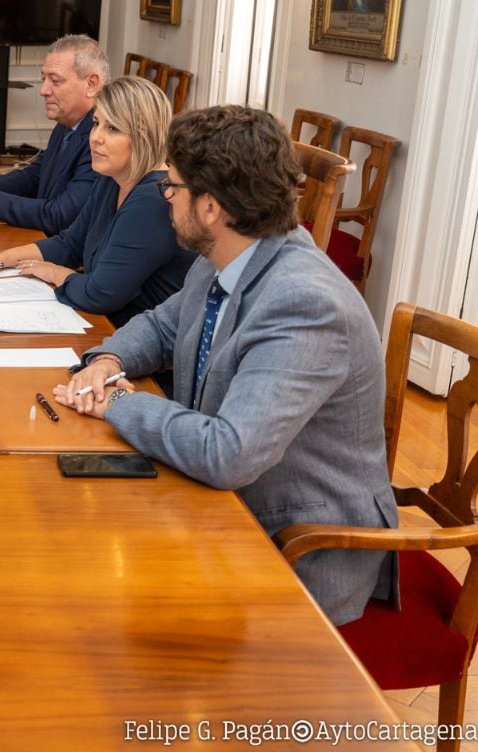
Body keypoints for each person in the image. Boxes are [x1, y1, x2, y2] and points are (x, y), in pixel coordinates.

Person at [55, 105, 399, 626]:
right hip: (222, 507)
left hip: (298, 548)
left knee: (98, 605)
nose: (165, 198)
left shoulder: (304, 303)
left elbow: (227, 453)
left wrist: (121, 402)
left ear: (210, 207)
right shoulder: (233, 254)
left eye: (171, 187)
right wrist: (107, 359)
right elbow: (163, 326)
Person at [0, 77, 194, 329]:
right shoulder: (112, 179)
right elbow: (70, 244)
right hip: (101, 326)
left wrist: (53, 272)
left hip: (134, 346)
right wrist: (2, 259)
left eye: (112, 128)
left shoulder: (153, 199)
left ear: (143, 135)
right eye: (96, 124)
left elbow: (100, 294)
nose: (95, 138)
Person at [0, 35, 108, 235]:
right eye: (44, 79)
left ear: (92, 84)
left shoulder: (101, 139)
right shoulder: (67, 123)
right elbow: (36, 175)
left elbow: (60, 216)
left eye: (56, 81)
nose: (43, 90)